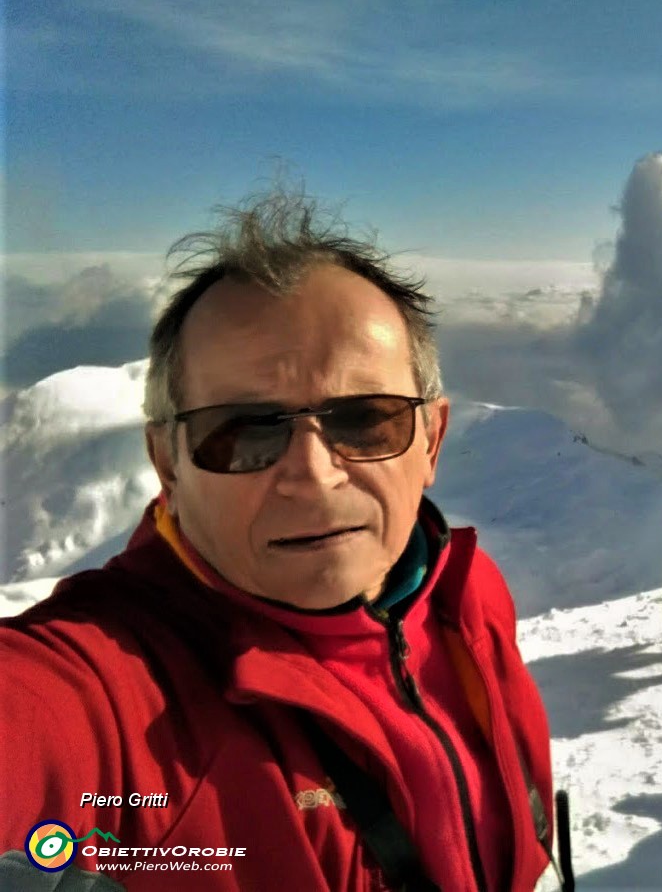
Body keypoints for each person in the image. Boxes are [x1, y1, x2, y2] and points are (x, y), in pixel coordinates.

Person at [0, 190, 555, 891]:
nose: (313, 474)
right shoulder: (112, 686)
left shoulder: (465, 593)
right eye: (241, 430)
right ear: (168, 464)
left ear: (431, 439)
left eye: (366, 419)